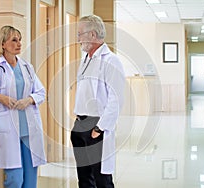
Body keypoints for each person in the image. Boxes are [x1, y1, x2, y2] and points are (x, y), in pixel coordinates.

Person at [0, 25, 46, 188]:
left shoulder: (27, 67)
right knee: (14, 179)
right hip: (8, 129)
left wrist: (29, 99)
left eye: (20, 40)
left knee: (30, 181)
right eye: (14, 40)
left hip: (29, 130)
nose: (19, 43)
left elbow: (41, 92)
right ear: (2, 44)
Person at [70, 15, 125, 188]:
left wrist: (99, 128)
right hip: (80, 124)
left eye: (80, 34)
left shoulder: (111, 61)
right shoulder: (86, 58)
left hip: (96, 126)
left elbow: (116, 100)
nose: (78, 39)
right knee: (84, 178)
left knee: (101, 179)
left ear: (92, 35)